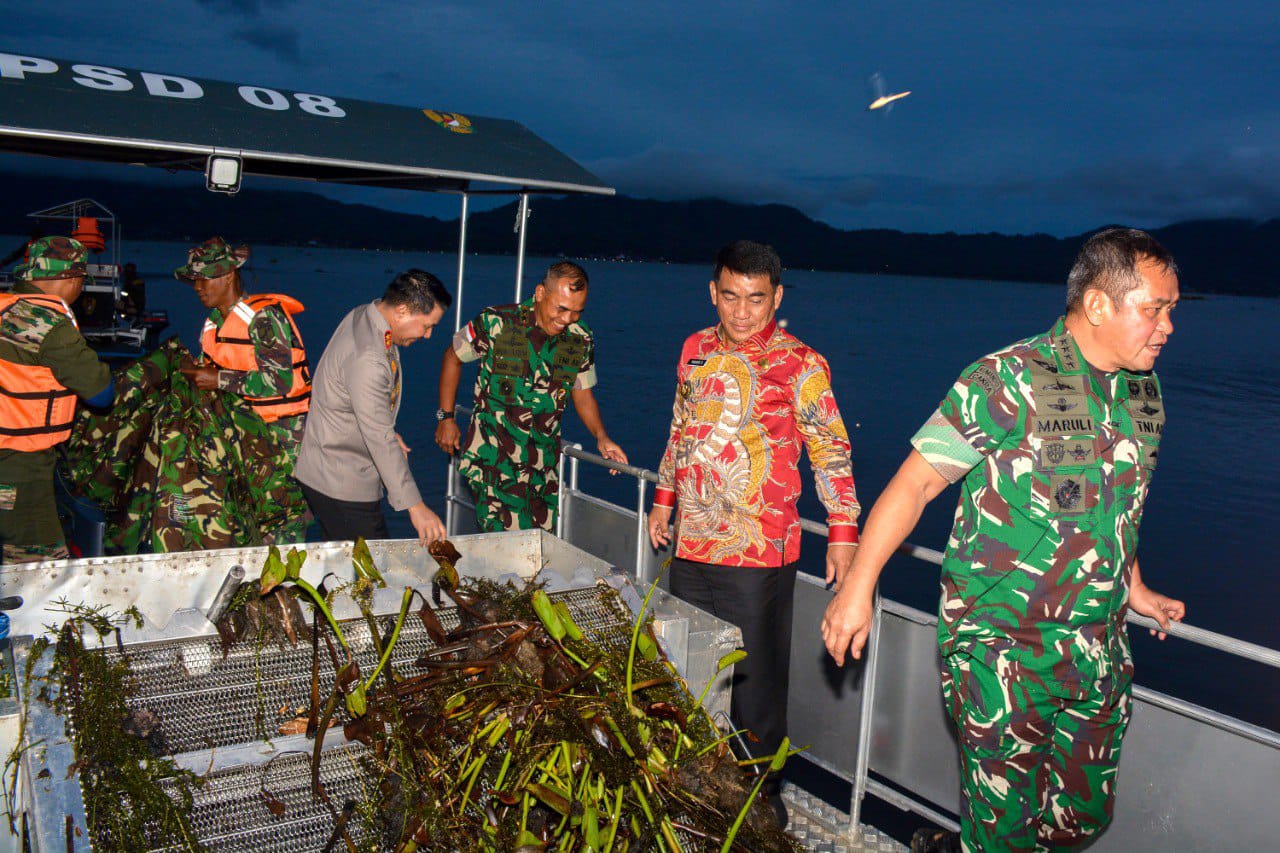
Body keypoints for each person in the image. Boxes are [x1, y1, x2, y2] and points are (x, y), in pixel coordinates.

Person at [821, 228, 1187, 853]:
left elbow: (1116, 509)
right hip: (1003, 650)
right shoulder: (1004, 380)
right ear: (1098, 304)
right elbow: (913, 488)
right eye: (1154, 308)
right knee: (1003, 835)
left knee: (1082, 819)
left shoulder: (1142, 392)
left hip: (1096, 649)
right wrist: (857, 590)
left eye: (1172, 309)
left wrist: (1135, 588)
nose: (1168, 326)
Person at [646, 240, 861, 827]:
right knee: (687, 664)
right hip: (690, 542)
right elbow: (680, 430)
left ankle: (760, 800)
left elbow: (831, 450)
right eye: (731, 297)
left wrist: (842, 532)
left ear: (778, 298)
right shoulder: (694, 350)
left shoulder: (802, 364)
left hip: (759, 550)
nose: (742, 312)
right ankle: (694, 780)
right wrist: (663, 501)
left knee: (755, 681)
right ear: (714, 292)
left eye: (756, 300)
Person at [435, 261, 627, 532]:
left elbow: (582, 394)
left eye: (576, 311)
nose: (567, 319)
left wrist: (601, 437)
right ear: (540, 293)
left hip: (542, 470)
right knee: (502, 550)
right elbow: (452, 357)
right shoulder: (497, 322)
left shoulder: (580, 339)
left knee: (534, 554)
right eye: (561, 308)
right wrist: (446, 418)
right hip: (494, 463)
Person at [295, 269, 450, 545]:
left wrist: (386, 428)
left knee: (344, 565)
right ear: (401, 311)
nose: (427, 335)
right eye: (427, 325)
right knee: (371, 573)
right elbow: (379, 438)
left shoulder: (366, 314)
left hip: (325, 467)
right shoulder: (368, 356)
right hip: (341, 480)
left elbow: (357, 399)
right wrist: (416, 507)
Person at [0, 237, 113, 563]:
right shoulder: (48, 325)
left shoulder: (6, 306)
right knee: (40, 568)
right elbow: (101, 393)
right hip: (18, 465)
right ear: (72, 280)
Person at [175, 237, 311, 463]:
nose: (197, 287)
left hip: (280, 438)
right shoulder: (214, 322)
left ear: (229, 276)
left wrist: (218, 379)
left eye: (204, 279)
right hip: (238, 433)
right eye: (194, 280)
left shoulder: (264, 318)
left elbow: (279, 381)